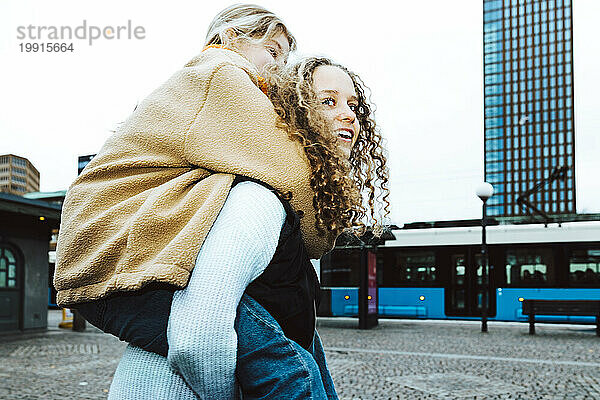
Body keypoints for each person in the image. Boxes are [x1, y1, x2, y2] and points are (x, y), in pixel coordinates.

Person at [53, 3, 389, 398]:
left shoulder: (209, 113)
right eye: (273, 52)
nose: (278, 68)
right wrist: (330, 205)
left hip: (118, 261)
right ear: (231, 36)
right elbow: (288, 169)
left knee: (301, 369)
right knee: (288, 373)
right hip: (122, 261)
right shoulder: (219, 74)